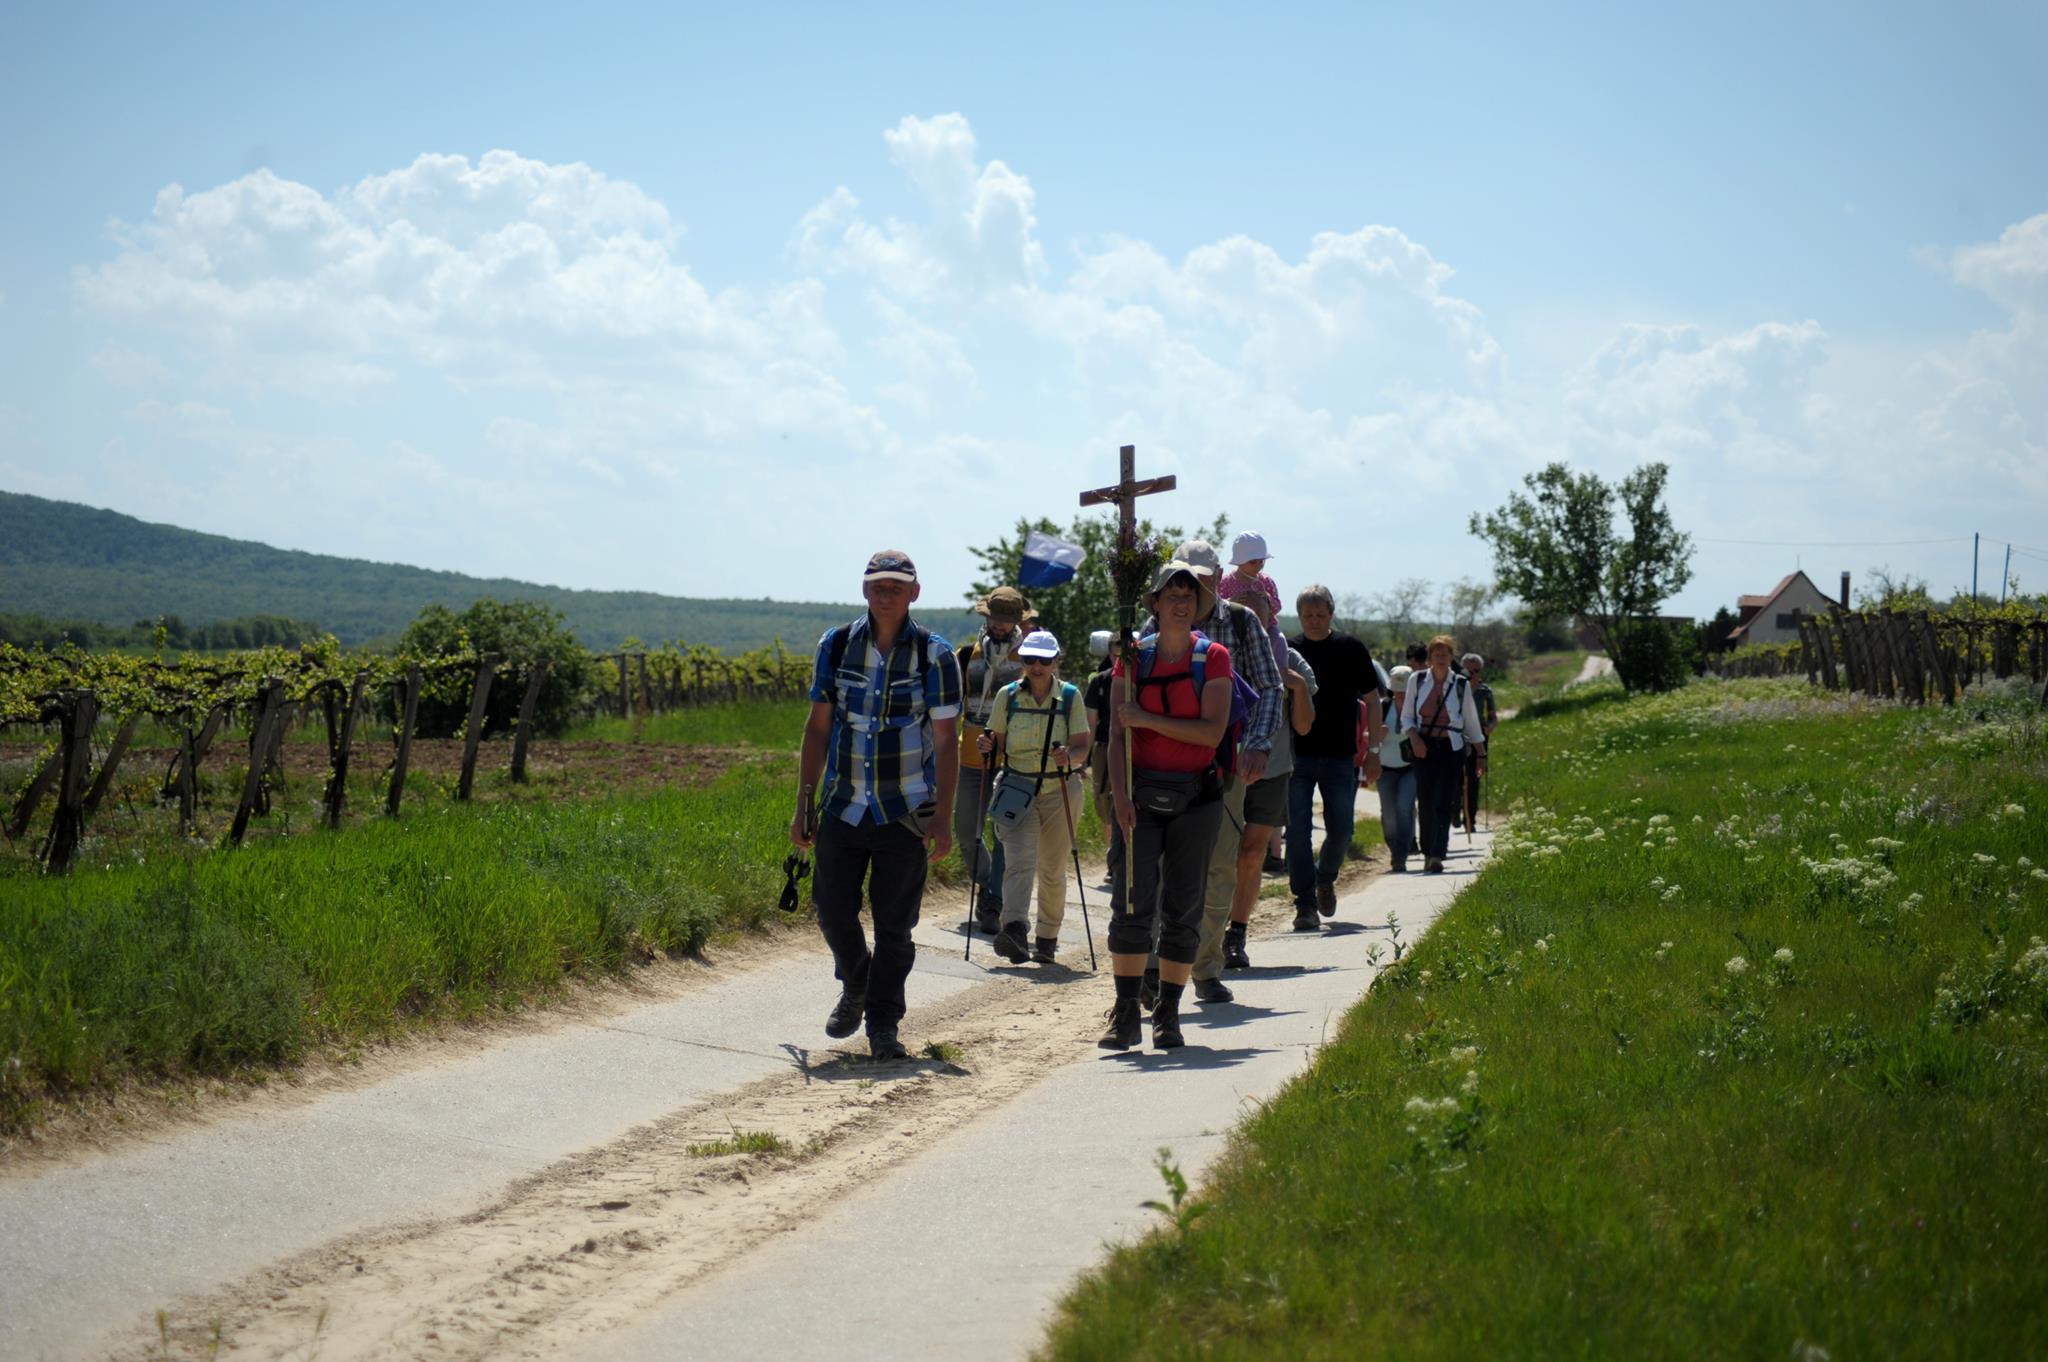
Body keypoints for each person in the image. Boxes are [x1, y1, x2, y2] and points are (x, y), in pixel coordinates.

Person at [792, 550, 963, 1060]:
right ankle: (857, 982)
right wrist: (804, 804)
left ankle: (883, 1024)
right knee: (831, 909)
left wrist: (944, 815)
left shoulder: (936, 656)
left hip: (905, 808)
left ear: (914, 592)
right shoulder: (837, 644)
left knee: (895, 926)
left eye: (895, 586)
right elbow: (818, 727)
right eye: (877, 586)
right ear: (865, 591)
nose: (885, 594)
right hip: (843, 803)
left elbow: (949, 739)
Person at [1139, 538, 1284, 1007]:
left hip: (1224, 765)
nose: (1192, 588)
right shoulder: (1152, 625)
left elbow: (1269, 688)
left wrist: (1257, 745)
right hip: (1162, 766)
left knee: (1219, 866)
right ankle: (1156, 968)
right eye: (1183, 579)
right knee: (1161, 868)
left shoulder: (1240, 623)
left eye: (1201, 578)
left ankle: (1204, 968)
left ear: (1215, 576)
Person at [1100, 562, 1234, 1050]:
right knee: (1131, 906)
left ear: (1199, 605)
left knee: (1182, 908)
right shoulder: (1132, 658)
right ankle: (1124, 1014)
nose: (1180, 602)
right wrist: (1119, 797)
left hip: (1196, 798)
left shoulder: (1213, 657)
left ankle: (1168, 1015)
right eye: (1170, 594)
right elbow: (1116, 734)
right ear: (1153, 603)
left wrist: (1146, 719)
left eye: (1189, 595)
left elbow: (1211, 731)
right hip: (1140, 796)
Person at [981, 629, 1090, 965]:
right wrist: (986, 746)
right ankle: (1014, 929)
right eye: (1030, 659)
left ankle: (1047, 937)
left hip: (1060, 788)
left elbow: (1083, 745)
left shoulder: (1070, 697)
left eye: (1044, 660)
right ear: (1023, 662)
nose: (1037, 666)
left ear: (1056, 661)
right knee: (1018, 863)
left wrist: (1069, 758)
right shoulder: (1007, 696)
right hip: (1016, 788)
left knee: (1052, 869)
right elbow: (995, 741)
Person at [1285, 585, 1385, 932]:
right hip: (1297, 755)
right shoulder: (1288, 650)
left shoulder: (1350, 648)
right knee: (1296, 832)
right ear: (1299, 616)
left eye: (1320, 615)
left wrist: (1373, 751)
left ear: (1331, 614)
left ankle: (1324, 878)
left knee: (1342, 829)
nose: (1314, 621)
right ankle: (1305, 904)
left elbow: (1373, 701)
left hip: (1341, 755)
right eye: (1307, 615)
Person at [1225, 591, 1316, 970]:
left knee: (1251, 852)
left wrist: (1293, 685)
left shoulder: (1291, 659)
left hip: (1272, 767)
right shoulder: (1220, 651)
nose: (1252, 618)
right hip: (1223, 766)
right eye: (1244, 612)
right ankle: (1208, 928)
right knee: (1219, 854)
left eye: (1258, 611)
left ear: (1271, 614)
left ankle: (1236, 934)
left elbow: (1304, 726)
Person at [954, 587, 1028, 935]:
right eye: (995, 619)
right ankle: (986, 882)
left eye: (1007, 620)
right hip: (969, 754)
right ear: (986, 618)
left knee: (1002, 833)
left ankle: (994, 901)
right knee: (966, 831)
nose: (1000, 625)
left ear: (1017, 621)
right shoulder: (966, 654)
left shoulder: (1029, 659)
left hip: (1012, 758)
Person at [1401, 634, 1487, 875]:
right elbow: (1407, 716)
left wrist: (1481, 754)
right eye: (1436, 654)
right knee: (1426, 800)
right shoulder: (1416, 681)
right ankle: (1428, 851)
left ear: (1451, 657)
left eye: (1445, 654)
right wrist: (1414, 738)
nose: (1440, 658)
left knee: (1445, 801)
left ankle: (1438, 853)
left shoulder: (1460, 684)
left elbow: (1471, 722)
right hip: (1423, 747)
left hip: (1452, 747)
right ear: (1429, 658)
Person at [1366, 664, 1418, 871]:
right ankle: (1394, 846)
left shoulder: (1418, 709)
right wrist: (1378, 733)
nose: (1401, 695)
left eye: (1404, 691)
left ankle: (1400, 854)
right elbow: (1366, 737)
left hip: (1410, 767)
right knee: (1388, 813)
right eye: (1397, 691)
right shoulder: (1382, 707)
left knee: (1404, 808)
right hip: (1385, 768)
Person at [1217, 531, 1287, 672]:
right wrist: (1230, 602)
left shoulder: (1266, 581)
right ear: (1239, 561)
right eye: (1253, 561)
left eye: (1262, 560)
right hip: (1235, 630)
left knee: (1279, 639)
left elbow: (1277, 607)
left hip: (1267, 628)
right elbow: (1217, 608)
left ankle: (1281, 672)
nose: (1259, 565)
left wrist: (1267, 597)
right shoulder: (1226, 582)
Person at [1452, 652, 1498, 832]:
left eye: (1476, 670)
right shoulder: (1456, 689)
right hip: (1459, 736)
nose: (1472, 673)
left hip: (1479, 738)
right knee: (1456, 777)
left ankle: (1470, 818)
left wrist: (1490, 727)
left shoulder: (1485, 691)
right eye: (1468, 670)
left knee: (1475, 778)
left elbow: (1493, 717)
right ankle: (1454, 810)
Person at [1084, 629, 1122, 838]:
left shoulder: (1141, 679)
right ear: (1109, 655)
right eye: (1116, 656)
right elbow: (1090, 723)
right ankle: (1112, 859)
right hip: (1104, 746)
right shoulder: (1099, 682)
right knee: (1102, 798)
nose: (1119, 661)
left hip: (1134, 747)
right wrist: (1083, 759)